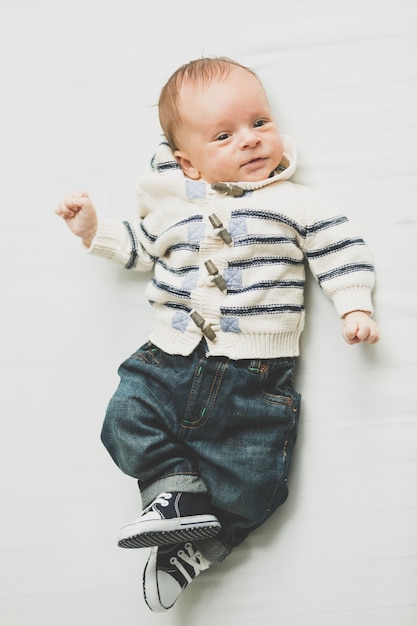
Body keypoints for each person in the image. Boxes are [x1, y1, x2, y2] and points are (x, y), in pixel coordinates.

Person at [56, 57, 380, 612]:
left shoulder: (294, 203)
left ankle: (202, 544)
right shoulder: (174, 207)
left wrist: (355, 306)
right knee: (124, 420)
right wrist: (92, 230)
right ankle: (172, 490)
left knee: (256, 478)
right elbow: (136, 247)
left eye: (260, 123)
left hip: (254, 373)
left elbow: (340, 250)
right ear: (189, 163)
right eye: (224, 135)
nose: (251, 142)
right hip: (167, 357)